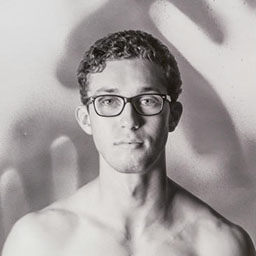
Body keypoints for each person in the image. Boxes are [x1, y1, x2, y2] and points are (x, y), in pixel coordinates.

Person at [2, 30, 255, 256]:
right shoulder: (38, 241)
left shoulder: (220, 245)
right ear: (86, 119)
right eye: (109, 102)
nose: (129, 120)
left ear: (173, 116)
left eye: (147, 100)